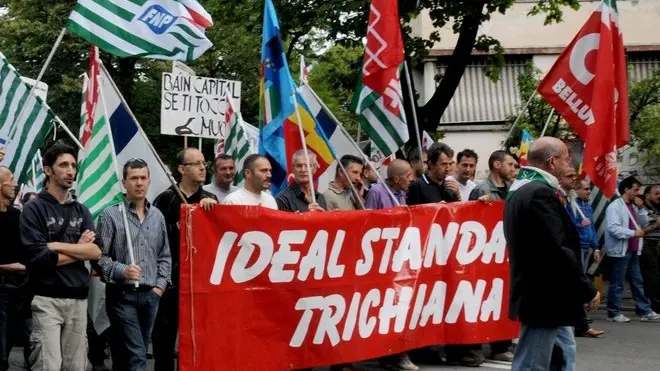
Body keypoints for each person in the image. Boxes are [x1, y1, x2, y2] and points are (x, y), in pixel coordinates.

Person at [504, 137, 599, 371]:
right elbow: (555, 249)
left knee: (563, 355)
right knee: (532, 363)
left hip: (548, 294)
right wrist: (585, 287)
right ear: (552, 161)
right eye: (567, 159)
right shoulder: (539, 193)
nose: (570, 165)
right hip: (545, 295)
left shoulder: (522, 189)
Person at [20, 142, 103, 371]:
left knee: (76, 367)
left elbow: (96, 251)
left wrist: (56, 245)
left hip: (78, 299)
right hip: (46, 299)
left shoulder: (81, 209)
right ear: (48, 170)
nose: (71, 171)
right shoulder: (34, 208)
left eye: (73, 165)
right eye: (64, 165)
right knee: (48, 366)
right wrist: (79, 249)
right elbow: (40, 258)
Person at [97, 159, 172, 371]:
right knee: (138, 354)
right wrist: (123, 270)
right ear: (124, 182)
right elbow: (99, 258)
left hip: (151, 295)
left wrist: (160, 286)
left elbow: (165, 254)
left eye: (142, 178)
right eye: (133, 178)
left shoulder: (157, 216)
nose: (139, 183)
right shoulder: (110, 215)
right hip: (122, 295)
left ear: (149, 181)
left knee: (124, 355)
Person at [153, 148, 217, 371]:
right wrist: (181, 225)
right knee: (164, 337)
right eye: (196, 163)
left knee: (196, 339)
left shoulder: (210, 199)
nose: (202, 167)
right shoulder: (165, 199)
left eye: (204, 163)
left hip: (199, 282)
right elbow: (154, 236)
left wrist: (212, 213)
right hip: (170, 280)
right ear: (181, 169)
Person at [452, 151, 519, 365]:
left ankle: (501, 345)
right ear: (497, 165)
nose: (513, 169)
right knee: (483, 301)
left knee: (502, 300)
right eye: (510, 164)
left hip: (505, 254)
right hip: (485, 255)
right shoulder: (481, 190)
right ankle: (476, 347)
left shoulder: (512, 189)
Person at [366, 159, 418, 371]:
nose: (411, 179)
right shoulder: (377, 192)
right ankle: (388, 355)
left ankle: (396, 353)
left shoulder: (401, 193)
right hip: (381, 262)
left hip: (400, 260)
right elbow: (367, 222)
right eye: (408, 176)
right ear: (397, 178)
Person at [605, 176, 660, 323]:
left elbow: (642, 222)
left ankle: (645, 310)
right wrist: (632, 233)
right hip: (621, 250)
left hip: (634, 249)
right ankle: (614, 312)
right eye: (635, 190)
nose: (637, 193)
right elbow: (613, 228)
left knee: (638, 281)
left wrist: (641, 208)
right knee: (618, 283)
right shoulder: (615, 206)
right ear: (626, 189)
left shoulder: (633, 206)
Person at [558, 169, 605, 339]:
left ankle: (580, 321)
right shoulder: (565, 200)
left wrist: (596, 247)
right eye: (585, 189)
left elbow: (591, 228)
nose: (588, 192)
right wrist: (579, 224)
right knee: (576, 283)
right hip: (572, 248)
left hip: (585, 248)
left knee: (580, 281)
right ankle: (580, 323)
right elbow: (566, 225)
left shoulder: (584, 205)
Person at [0, 166, 30, 371]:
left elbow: (27, 252)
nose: (15, 184)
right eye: (11, 180)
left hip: (22, 288)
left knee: (33, 342)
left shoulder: (17, 215)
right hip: (1, 290)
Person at [640, 185, 660, 312]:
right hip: (645, 245)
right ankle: (653, 305)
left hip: (656, 246)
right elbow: (638, 230)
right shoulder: (641, 209)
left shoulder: (657, 209)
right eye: (656, 193)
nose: (659, 196)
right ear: (647, 195)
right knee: (652, 276)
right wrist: (655, 226)